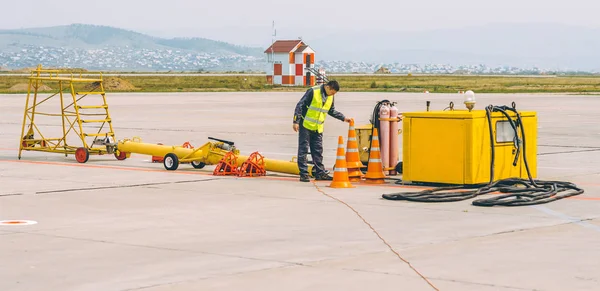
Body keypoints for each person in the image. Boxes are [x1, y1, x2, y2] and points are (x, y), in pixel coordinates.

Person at [293, 80, 352, 182]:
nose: (333, 95)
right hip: (306, 125)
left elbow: (331, 110)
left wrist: (343, 118)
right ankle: (303, 174)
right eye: (332, 92)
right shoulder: (313, 91)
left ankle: (319, 173)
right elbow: (300, 105)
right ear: (328, 87)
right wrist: (296, 121)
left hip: (318, 127)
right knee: (303, 150)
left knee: (318, 151)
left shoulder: (330, 96)